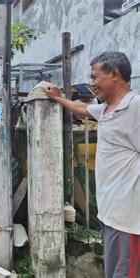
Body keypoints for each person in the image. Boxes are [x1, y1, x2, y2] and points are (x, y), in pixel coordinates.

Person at [45, 51, 139, 278]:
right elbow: (82, 108)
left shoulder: (135, 106)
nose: (91, 83)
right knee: (115, 271)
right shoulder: (107, 110)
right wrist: (57, 98)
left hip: (129, 217)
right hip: (111, 213)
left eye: (95, 77)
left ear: (115, 74)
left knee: (126, 273)